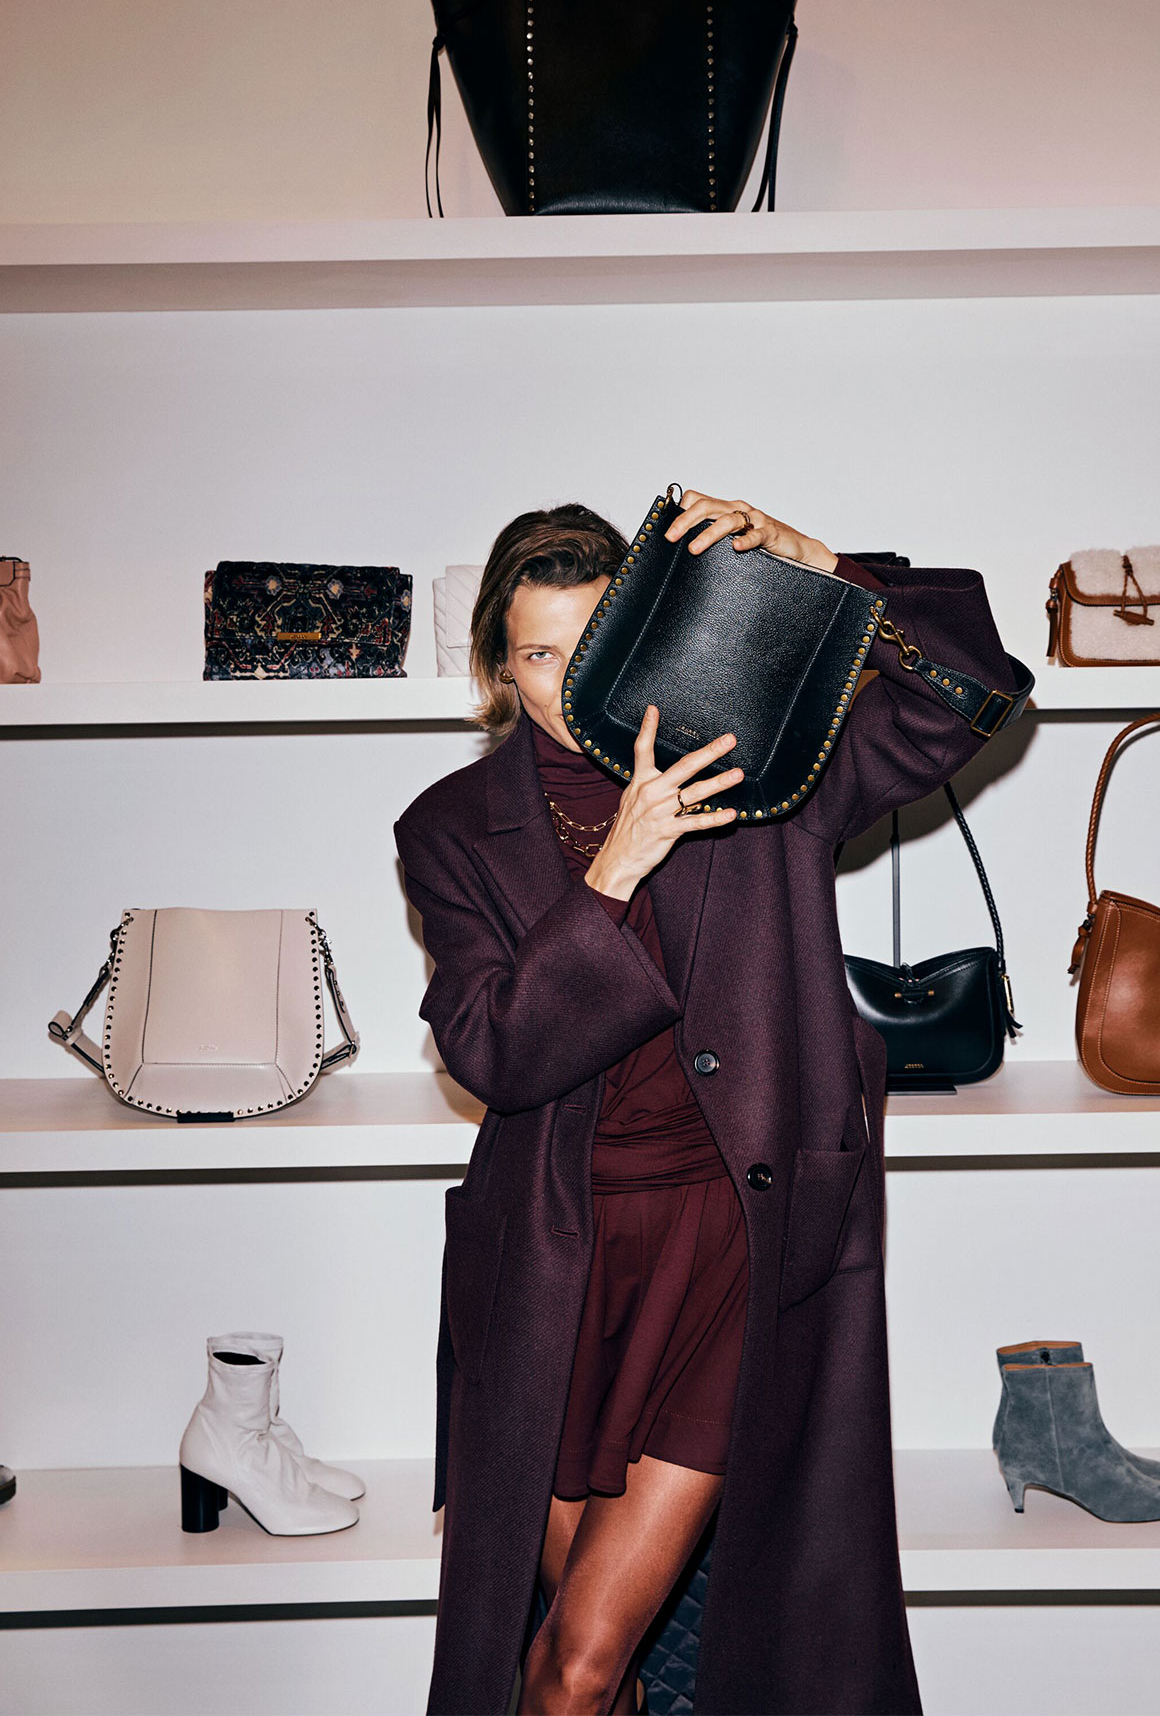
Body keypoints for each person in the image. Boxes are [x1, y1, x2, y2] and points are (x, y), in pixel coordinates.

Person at [395, 491, 1024, 1716]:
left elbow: (973, 691)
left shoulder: (757, 765)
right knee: (598, 1671)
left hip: (737, 1245)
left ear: (645, 638)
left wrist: (820, 567)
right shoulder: (452, 830)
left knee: (575, 1668)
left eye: (594, 643)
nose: (568, 680)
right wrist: (614, 870)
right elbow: (494, 1052)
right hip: (555, 1271)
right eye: (538, 655)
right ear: (497, 669)